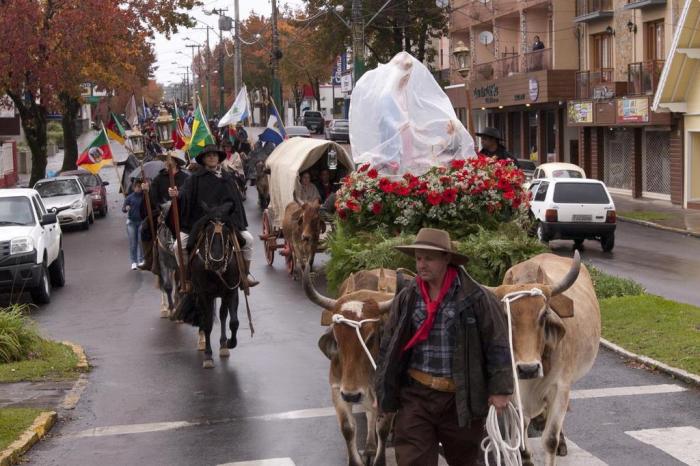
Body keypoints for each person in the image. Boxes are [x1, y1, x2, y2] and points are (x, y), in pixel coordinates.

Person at [375, 228, 514, 466]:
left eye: (429, 258)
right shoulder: (408, 296)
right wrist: (383, 392)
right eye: (418, 258)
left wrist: (500, 389)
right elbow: (389, 346)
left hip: (460, 398)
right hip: (416, 395)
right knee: (412, 460)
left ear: (446, 259)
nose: (421, 265)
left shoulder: (476, 298)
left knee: (466, 460)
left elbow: (497, 343)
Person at [169, 144, 258, 288]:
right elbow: (184, 194)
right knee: (177, 246)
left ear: (218, 158)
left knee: (248, 239)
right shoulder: (195, 178)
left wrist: (226, 213)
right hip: (201, 221)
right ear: (203, 159)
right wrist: (176, 194)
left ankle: (245, 275)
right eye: (208, 155)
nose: (212, 157)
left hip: (226, 221)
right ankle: (186, 279)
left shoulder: (228, 178)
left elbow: (235, 201)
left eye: (214, 155)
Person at [140, 152, 189, 272]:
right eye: (165, 160)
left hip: (182, 211)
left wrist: (179, 195)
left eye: (169, 160)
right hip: (163, 211)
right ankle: (149, 260)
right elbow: (153, 197)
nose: (166, 162)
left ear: (175, 162)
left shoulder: (186, 178)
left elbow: (189, 194)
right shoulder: (159, 178)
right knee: (145, 226)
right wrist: (146, 191)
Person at [122, 180, 145, 270]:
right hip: (131, 223)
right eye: (137, 187)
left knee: (141, 242)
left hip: (142, 222)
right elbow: (123, 209)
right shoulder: (129, 198)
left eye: (140, 187)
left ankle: (141, 260)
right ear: (133, 188)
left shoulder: (145, 197)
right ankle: (133, 262)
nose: (139, 188)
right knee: (133, 243)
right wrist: (126, 208)